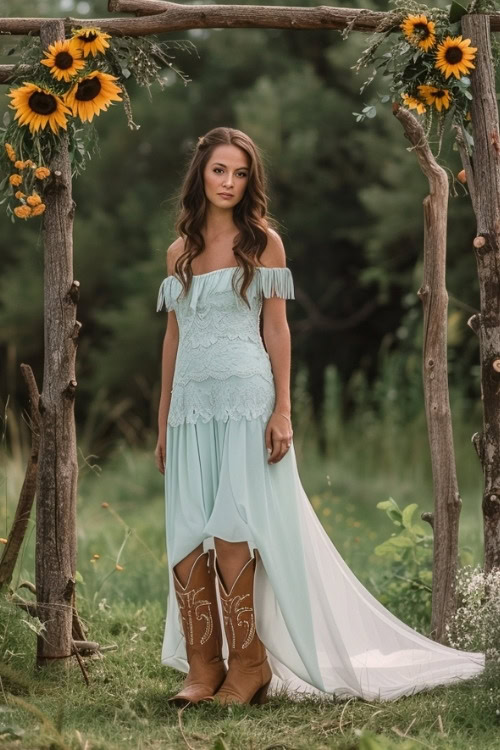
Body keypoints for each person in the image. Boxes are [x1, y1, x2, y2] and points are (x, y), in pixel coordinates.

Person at [155, 126, 485, 707]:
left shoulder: (264, 244)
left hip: (246, 400)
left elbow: (277, 329)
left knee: (234, 534)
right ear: (200, 175)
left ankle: (248, 665)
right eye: (218, 171)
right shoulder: (177, 253)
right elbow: (173, 339)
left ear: (250, 181)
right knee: (185, 537)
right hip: (190, 409)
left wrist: (282, 409)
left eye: (240, 173)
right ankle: (203, 666)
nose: (229, 183)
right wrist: (163, 422)